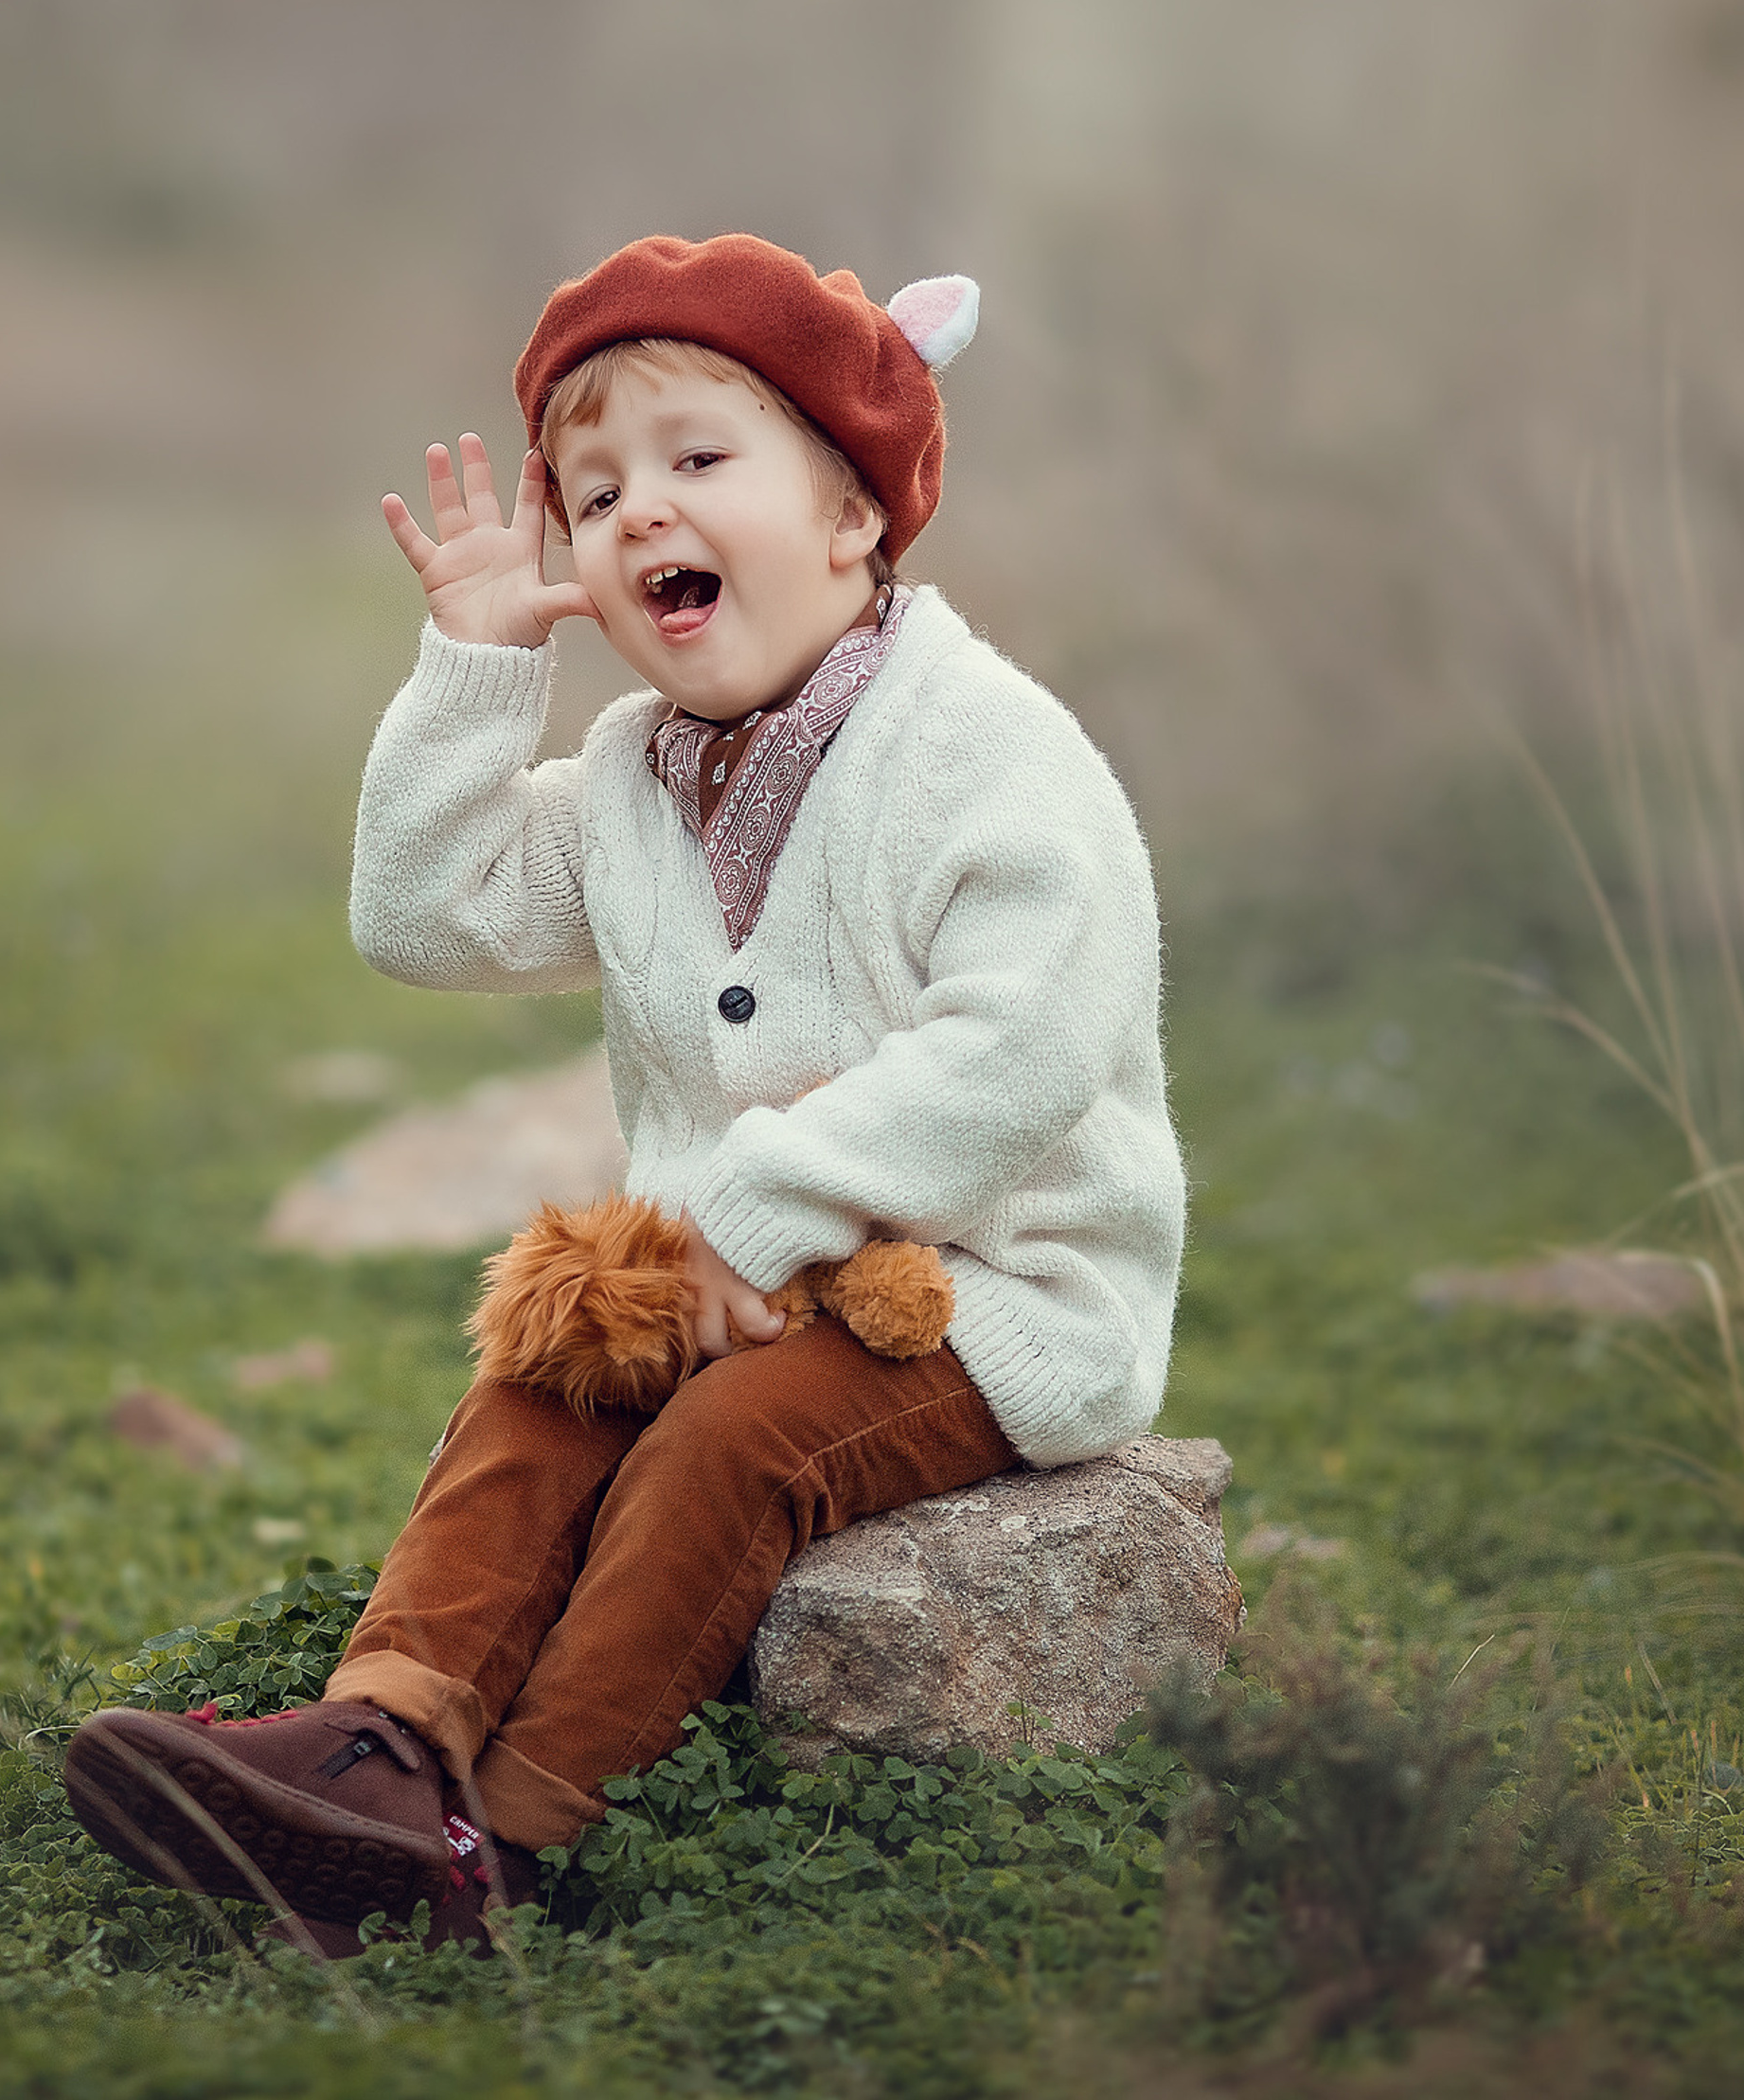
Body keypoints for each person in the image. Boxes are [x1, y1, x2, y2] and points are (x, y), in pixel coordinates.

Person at [63, 233, 1185, 1953]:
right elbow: (420, 917)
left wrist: (746, 1208)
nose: (638, 511)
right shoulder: (635, 781)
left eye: (697, 460)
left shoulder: (987, 750)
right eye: (592, 493)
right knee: (549, 1371)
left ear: (852, 516)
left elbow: (1022, 1050)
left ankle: (506, 1842)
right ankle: (383, 1740)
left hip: (987, 1292)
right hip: (741, 1272)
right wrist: (476, 671)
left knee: (728, 1442)